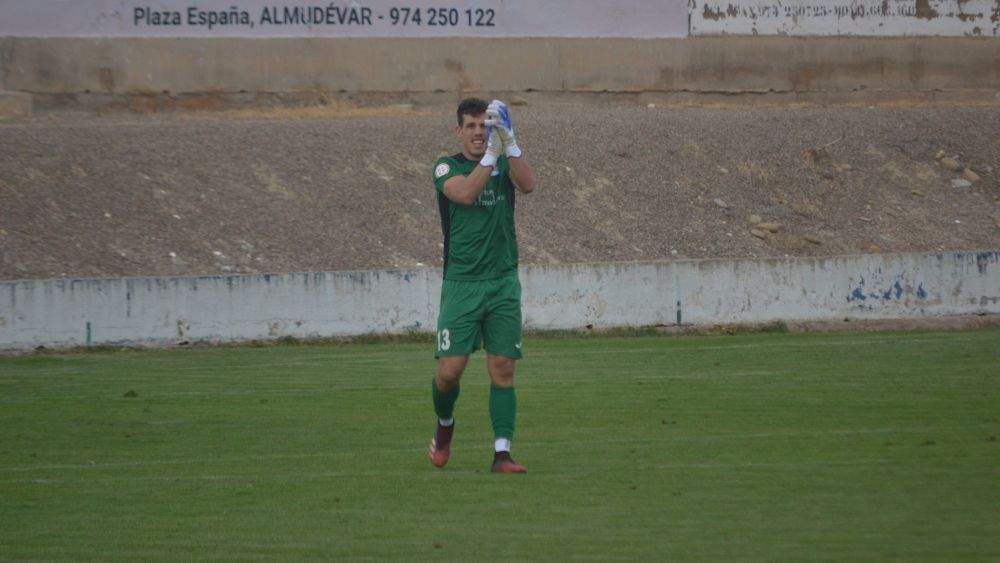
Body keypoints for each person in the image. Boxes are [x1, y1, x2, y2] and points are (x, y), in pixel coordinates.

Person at [428, 97, 536, 474]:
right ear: (458, 131)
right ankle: (445, 425)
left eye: (484, 127)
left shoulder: (503, 161)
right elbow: (465, 194)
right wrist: (491, 155)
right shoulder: (446, 166)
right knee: (450, 372)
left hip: (502, 281)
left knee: (503, 367)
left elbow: (528, 185)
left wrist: (511, 142)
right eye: (471, 126)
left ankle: (502, 453)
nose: (478, 133)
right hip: (462, 284)